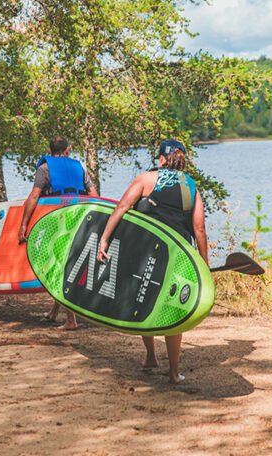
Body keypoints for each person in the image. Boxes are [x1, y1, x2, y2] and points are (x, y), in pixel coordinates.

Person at [97, 139, 208, 384]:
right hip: (179, 254)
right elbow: (199, 229)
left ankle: (150, 356)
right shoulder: (191, 186)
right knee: (173, 308)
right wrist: (204, 266)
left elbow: (122, 208)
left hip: (147, 250)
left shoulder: (147, 179)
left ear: (161, 159)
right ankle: (173, 371)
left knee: (143, 299)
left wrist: (104, 239)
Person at [18, 136, 98, 330]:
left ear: (50, 149)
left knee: (59, 266)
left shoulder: (44, 169)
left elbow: (35, 196)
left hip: (57, 220)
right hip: (78, 219)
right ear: (68, 150)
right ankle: (55, 312)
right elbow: (94, 195)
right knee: (65, 262)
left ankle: (71, 320)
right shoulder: (79, 168)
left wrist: (23, 226)